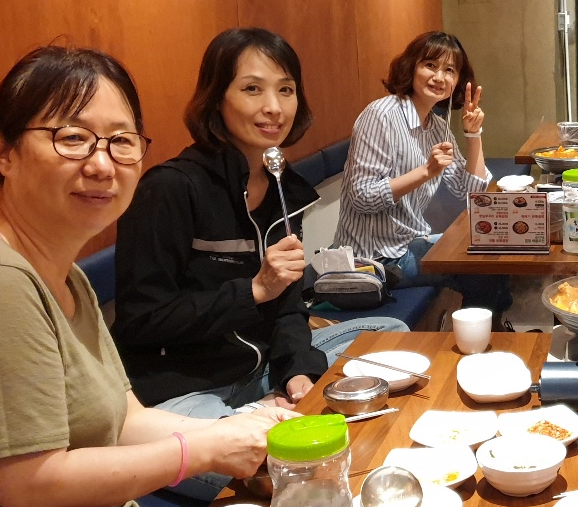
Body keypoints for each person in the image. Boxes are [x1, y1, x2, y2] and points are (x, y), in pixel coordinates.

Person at [0, 46, 292, 507]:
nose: (101, 164)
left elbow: (126, 419)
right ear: (3, 151)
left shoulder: (63, 274)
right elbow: (29, 486)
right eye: (72, 138)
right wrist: (207, 449)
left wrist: (244, 427)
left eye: (121, 141)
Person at [112, 28, 406, 427]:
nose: (274, 107)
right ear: (216, 99)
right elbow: (141, 320)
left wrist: (298, 372)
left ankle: (265, 409)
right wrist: (253, 291)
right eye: (252, 89)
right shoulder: (170, 189)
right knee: (254, 449)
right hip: (185, 388)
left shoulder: (282, 187)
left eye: (286, 90)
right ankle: (250, 421)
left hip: (262, 367)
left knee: (391, 333)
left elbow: (288, 307)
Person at [333, 31, 512, 323]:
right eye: (430, 65)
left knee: (495, 247)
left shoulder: (437, 126)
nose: (439, 77)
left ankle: (488, 332)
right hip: (374, 260)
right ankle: (480, 336)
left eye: (449, 70)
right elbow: (362, 197)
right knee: (481, 266)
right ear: (411, 67)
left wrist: (473, 134)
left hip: (409, 244)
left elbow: (471, 191)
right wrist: (426, 172)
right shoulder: (381, 115)